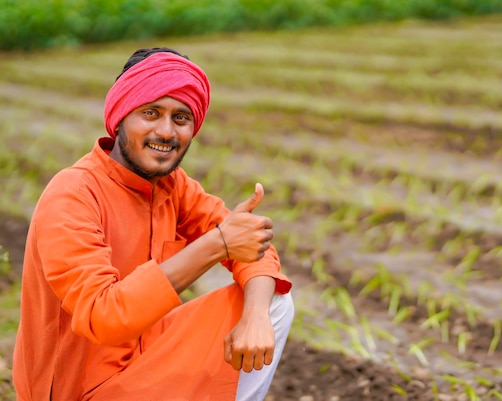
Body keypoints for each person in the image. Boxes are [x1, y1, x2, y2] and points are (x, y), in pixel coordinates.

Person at [12, 47, 294, 401]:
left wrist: (255, 316)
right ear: (119, 118)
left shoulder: (173, 186)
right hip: (81, 390)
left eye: (180, 118)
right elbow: (106, 317)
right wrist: (216, 245)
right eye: (150, 113)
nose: (166, 131)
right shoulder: (73, 194)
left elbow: (256, 251)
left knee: (272, 302)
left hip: (144, 366)